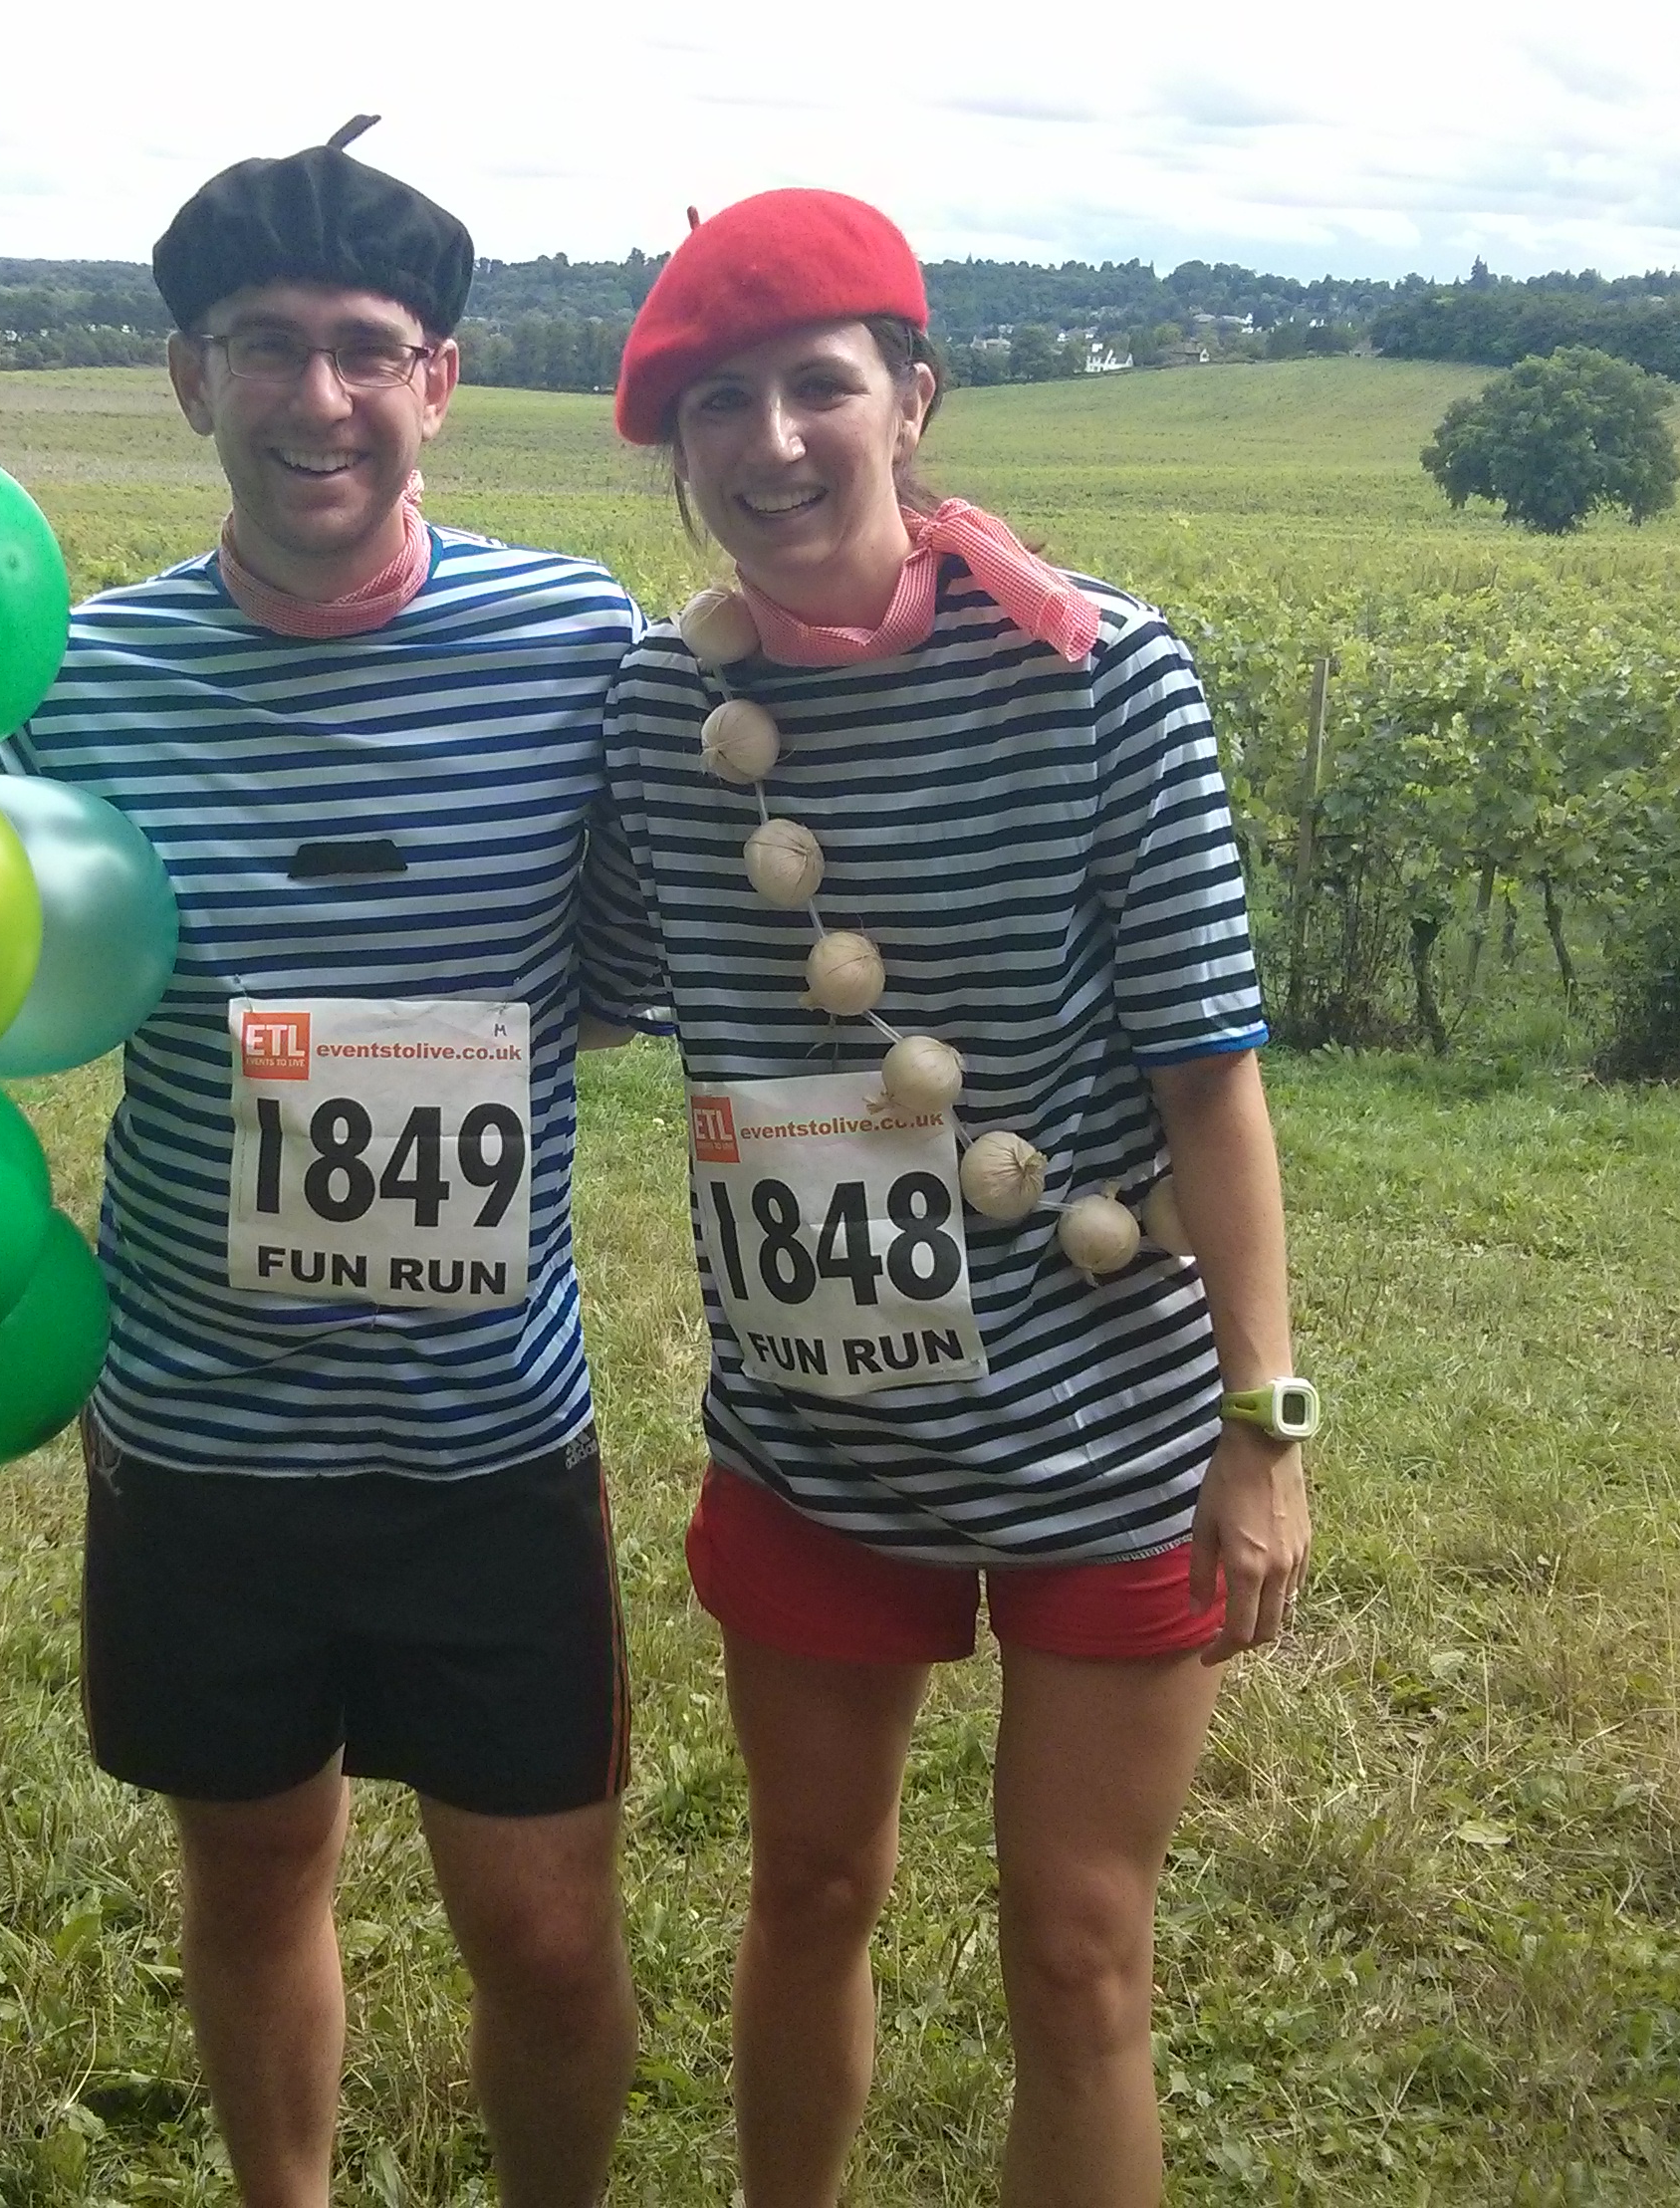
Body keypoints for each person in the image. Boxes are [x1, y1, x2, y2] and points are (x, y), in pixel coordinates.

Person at [583, 188, 1313, 2208]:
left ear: (914, 397)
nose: (770, 442)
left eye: (817, 386)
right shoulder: (658, 710)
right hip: (816, 1430)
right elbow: (581, 975)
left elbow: (1211, 1077)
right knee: (811, 1890)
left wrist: (1265, 1424)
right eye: (717, 403)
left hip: (1109, 1425)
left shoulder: (1102, 676)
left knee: (1080, 1956)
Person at [0, 122, 645, 2208]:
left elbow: (753, 808)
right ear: (191, 376)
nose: (318, 397)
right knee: (256, 1872)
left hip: (487, 1439)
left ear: (442, 379)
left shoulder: (578, 644)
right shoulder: (83, 683)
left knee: (547, 1931)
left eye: (367, 349)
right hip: (204, 1440)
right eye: (264, 345)